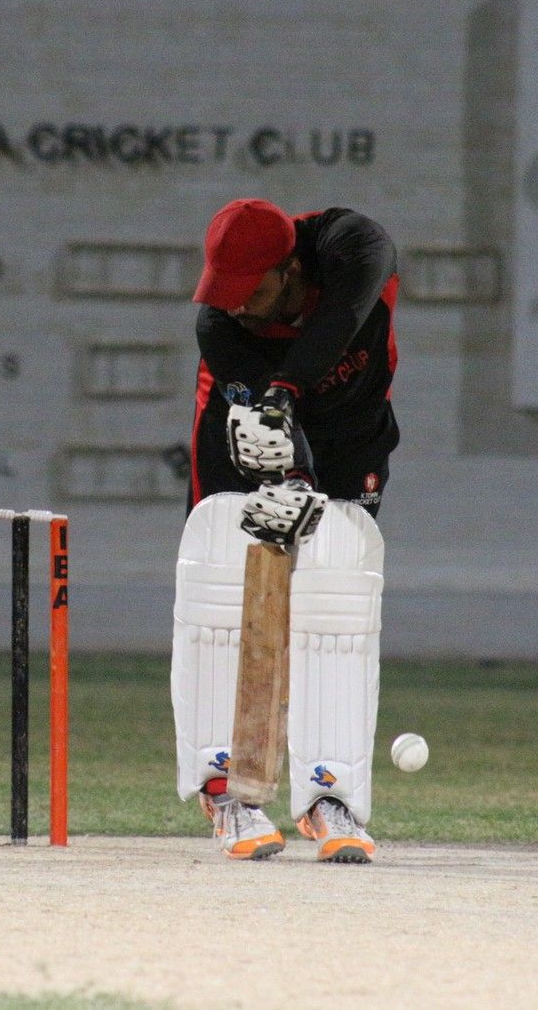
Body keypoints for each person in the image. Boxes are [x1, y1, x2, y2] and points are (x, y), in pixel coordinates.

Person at [171, 198, 397, 862]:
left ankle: (331, 796)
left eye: (253, 289)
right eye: (227, 290)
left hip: (350, 431)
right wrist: (289, 471)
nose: (237, 304)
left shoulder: (354, 247)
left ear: (291, 269)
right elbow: (266, 421)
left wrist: (289, 391)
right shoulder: (221, 322)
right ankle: (227, 790)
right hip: (245, 432)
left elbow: (338, 323)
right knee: (221, 593)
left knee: (336, 601)